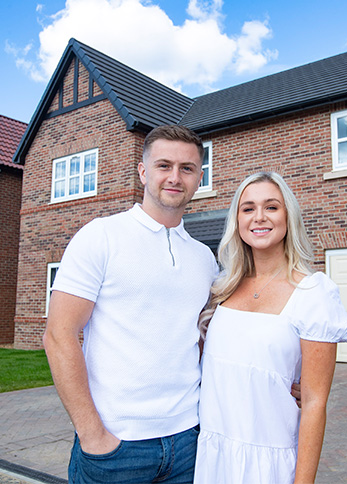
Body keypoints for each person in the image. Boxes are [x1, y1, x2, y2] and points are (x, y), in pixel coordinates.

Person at [43, 125, 219, 484]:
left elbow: (206, 341)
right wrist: (93, 435)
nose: (174, 177)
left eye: (186, 168)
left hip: (189, 438)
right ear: (142, 171)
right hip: (115, 446)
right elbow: (59, 335)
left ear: (199, 177)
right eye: (163, 165)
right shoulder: (101, 236)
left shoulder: (204, 259)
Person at [193, 172, 347, 484]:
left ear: (288, 216)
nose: (259, 217)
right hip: (212, 456)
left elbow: (315, 403)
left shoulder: (313, 293)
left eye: (272, 207)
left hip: (270, 463)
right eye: (248, 208)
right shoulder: (220, 289)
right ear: (236, 220)